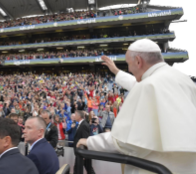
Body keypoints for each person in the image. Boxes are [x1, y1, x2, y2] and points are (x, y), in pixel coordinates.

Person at [77, 39, 196, 173]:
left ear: (138, 61)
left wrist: (90, 142)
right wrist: (116, 71)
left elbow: (124, 141)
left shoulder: (148, 85)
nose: (128, 68)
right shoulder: (183, 80)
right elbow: (140, 84)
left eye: (128, 63)